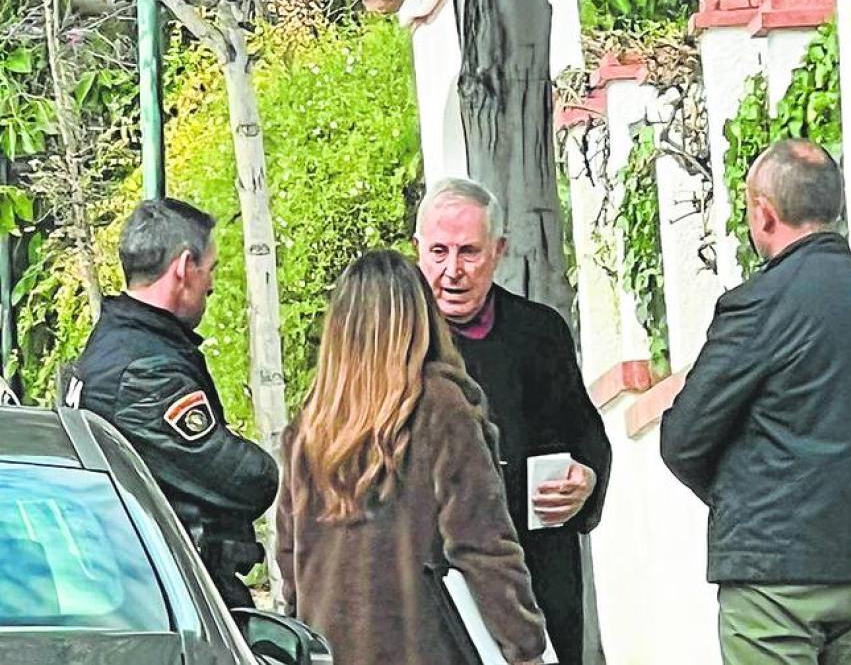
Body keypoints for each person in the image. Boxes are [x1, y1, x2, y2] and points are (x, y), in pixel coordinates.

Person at [660, 139, 851, 665]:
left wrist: (742, 501)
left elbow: (683, 438)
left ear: (764, 213)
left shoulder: (757, 306)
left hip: (774, 583)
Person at [276, 250, 546, 665]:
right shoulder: (441, 408)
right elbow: (483, 546)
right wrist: (525, 645)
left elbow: (292, 565)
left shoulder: (309, 428)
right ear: (419, 319)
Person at [415, 177, 612, 665]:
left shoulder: (539, 332)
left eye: (469, 252)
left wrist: (586, 478)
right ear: (417, 249)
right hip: (435, 587)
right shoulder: (397, 343)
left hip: (536, 578)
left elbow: (587, 435)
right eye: (438, 252)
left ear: (499, 251)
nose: (452, 271)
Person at [69, 198, 277, 607]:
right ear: (184, 268)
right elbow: (248, 479)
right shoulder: (146, 372)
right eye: (210, 269)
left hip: (140, 589)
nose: (213, 284)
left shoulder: (119, 344)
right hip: (170, 600)